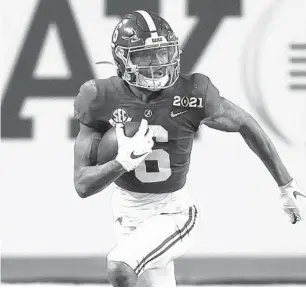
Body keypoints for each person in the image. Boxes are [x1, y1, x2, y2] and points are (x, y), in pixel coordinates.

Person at [73, 10, 305, 287]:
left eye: (162, 52)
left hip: (173, 211)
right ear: (123, 59)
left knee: (121, 268)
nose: (157, 63)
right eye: (145, 55)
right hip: (126, 211)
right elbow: (82, 185)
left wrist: (285, 184)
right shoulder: (98, 97)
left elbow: (245, 123)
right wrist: (121, 163)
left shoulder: (192, 93)